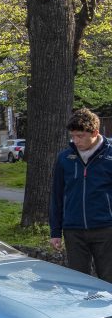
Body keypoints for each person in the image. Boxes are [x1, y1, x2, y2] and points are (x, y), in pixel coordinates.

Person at [50, 108, 112, 282]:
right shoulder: (64, 158)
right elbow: (56, 196)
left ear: (95, 132)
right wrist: (55, 231)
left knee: (108, 280)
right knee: (79, 282)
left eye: (80, 136)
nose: (75, 141)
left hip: (106, 229)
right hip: (73, 230)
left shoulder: (110, 157)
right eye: (73, 136)